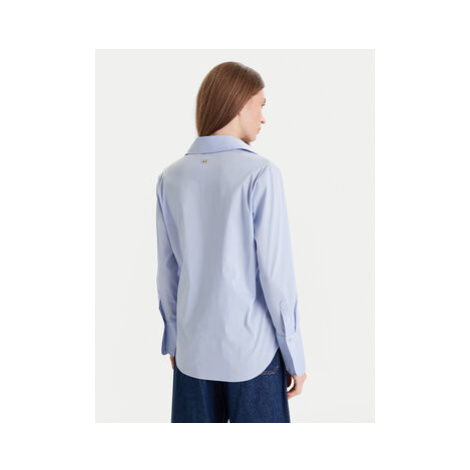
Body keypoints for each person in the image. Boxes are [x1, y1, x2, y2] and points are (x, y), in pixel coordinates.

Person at [156, 61, 307, 423]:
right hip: (253, 355)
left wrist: (173, 336)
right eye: (261, 105)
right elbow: (276, 275)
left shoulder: (171, 177)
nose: (263, 118)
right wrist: (294, 353)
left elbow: (167, 271)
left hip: (192, 355)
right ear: (239, 104)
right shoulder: (261, 173)